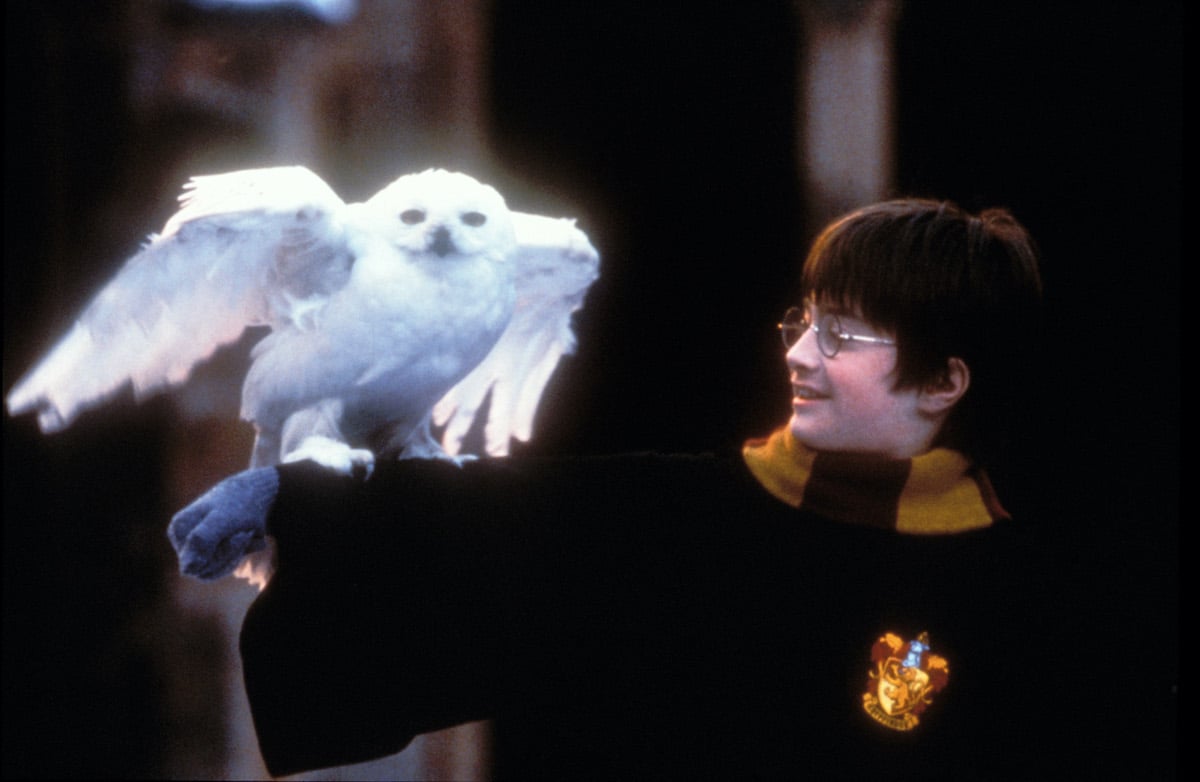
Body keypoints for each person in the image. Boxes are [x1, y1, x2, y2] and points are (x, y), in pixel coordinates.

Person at [169, 198, 1154, 779]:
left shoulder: (1040, 600)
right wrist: (294, 502)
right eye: (803, 323)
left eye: (844, 336)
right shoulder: (690, 516)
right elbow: (480, 528)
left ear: (944, 381)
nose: (801, 355)